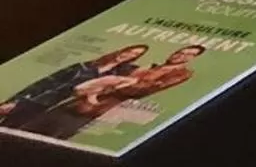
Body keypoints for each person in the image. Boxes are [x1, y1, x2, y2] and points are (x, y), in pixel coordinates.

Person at [8, 44, 206, 142]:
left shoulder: (181, 73)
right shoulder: (139, 66)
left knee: (51, 137)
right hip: (71, 102)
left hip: (93, 108)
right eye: (181, 51)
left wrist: (112, 87)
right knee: (27, 129)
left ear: (192, 59)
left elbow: (143, 90)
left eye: (188, 54)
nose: (181, 54)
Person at [0, 44, 146, 128]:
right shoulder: (83, 66)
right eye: (129, 51)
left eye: (134, 55)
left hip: (62, 112)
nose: (129, 55)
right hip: (38, 102)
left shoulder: (117, 75)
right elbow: (45, 83)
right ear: (122, 50)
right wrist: (16, 101)